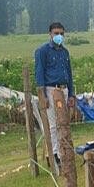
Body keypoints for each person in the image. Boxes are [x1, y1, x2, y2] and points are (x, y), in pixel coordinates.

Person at [33, 21, 75, 165]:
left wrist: (71, 94)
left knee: (63, 122)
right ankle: (54, 154)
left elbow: (69, 74)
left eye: (62, 34)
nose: (59, 36)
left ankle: (64, 150)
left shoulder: (65, 52)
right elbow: (39, 73)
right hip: (51, 89)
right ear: (50, 34)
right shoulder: (42, 51)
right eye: (56, 33)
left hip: (64, 89)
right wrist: (42, 95)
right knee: (52, 123)